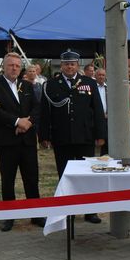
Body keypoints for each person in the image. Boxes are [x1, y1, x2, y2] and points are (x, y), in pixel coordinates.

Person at [39, 49, 106, 224]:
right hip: (62, 138)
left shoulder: (88, 83)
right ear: (61, 65)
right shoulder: (51, 85)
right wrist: (44, 135)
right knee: (65, 175)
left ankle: (90, 211)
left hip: (85, 136)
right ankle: (68, 211)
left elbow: (98, 110)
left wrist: (101, 134)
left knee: (87, 175)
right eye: (67, 63)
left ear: (78, 65)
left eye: (73, 64)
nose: (70, 66)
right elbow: (45, 112)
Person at [0, 52, 42, 232]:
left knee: (31, 179)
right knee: (8, 180)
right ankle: (8, 217)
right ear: (4, 66)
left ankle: (37, 215)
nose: (14, 68)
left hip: (27, 140)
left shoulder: (27, 84)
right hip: (7, 141)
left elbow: (37, 107)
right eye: (11, 65)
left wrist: (28, 122)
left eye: (17, 65)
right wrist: (17, 122)